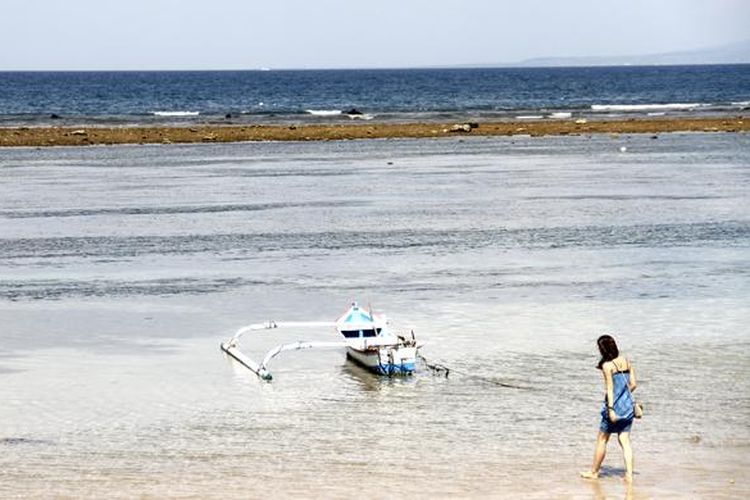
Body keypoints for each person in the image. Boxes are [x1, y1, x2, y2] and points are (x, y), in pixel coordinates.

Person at [580, 334, 638, 482]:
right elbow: (633, 384)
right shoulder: (626, 361)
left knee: (602, 439)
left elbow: (610, 389)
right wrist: (624, 395)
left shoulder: (607, 366)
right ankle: (630, 475)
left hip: (614, 408)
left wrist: (611, 408)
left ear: (603, 350)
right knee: (625, 441)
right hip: (627, 408)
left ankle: (594, 472)